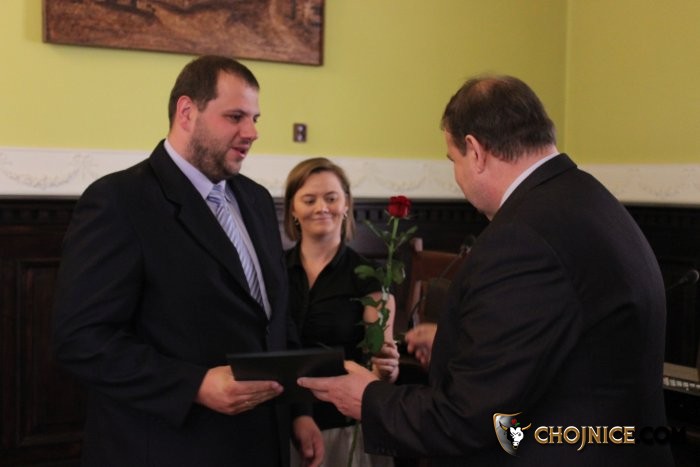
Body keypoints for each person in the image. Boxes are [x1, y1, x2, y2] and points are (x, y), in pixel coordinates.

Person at [298, 75, 673, 466]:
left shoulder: (522, 238)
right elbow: (559, 343)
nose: (457, 176)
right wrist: (456, 342)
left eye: (453, 160)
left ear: (475, 151)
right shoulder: (586, 196)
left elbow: (470, 418)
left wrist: (369, 399)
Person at [52, 55, 323, 467]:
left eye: (254, 118)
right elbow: (81, 340)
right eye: (235, 117)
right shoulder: (120, 201)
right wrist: (194, 385)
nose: (252, 132)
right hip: (170, 448)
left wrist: (299, 412)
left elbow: (275, 318)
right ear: (186, 112)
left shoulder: (256, 199)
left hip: (262, 444)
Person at [283, 157, 400, 466]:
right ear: (293, 209)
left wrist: (387, 369)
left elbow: (380, 364)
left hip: (344, 426)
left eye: (331, 198)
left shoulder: (370, 277)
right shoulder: (273, 271)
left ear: (346, 204)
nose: (322, 207)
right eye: (309, 199)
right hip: (280, 419)